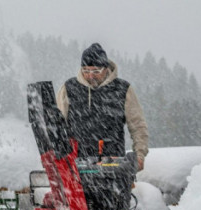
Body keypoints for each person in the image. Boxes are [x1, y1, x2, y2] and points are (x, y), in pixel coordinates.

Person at [56, 43, 149, 171]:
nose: (90, 75)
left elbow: (138, 125)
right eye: (86, 70)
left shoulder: (122, 89)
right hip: (76, 167)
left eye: (96, 71)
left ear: (106, 69)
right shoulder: (69, 88)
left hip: (114, 166)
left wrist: (140, 154)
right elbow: (56, 126)